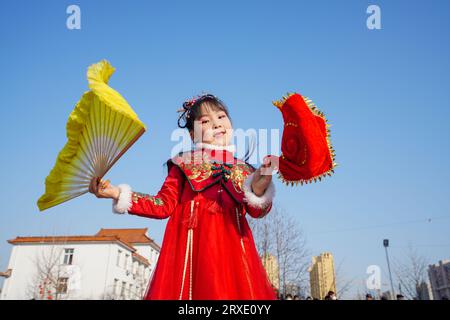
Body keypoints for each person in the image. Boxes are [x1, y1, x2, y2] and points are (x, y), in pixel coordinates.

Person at [89, 94, 277, 300]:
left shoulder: (245, 170)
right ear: (191, 134)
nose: (217, 124)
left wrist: (262, 182)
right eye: (205, 121)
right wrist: (117, 193)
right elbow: (162, 205)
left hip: (235, 260)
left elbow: (257, 211)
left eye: (221, 117)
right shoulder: (183, 164)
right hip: (191, 256)